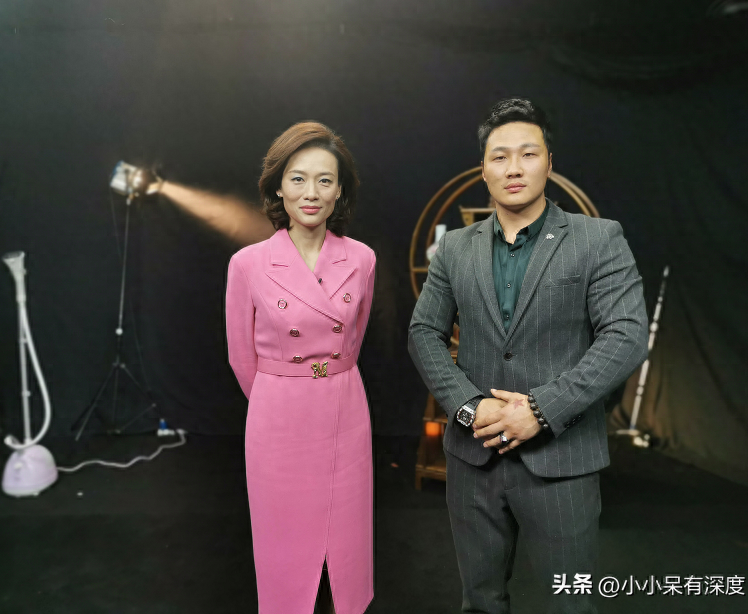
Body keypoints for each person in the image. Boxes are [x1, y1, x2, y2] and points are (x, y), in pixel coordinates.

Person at [408, 98, 649, 613]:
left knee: (570, 605)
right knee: (480, 602)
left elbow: (627, 335)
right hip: (474, 459)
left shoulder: (598, 239)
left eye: (528, 154)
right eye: (500, 157)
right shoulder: (455, 248)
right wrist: (471, 407)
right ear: (483, 169)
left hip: (562, 461)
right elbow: (423, 332)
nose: (513, 168)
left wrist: (540, 410)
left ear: (549, 162)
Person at [225, 122, 376, 614]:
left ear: (340, 191)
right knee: (283, 539)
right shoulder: (247, 263)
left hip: (345, 408)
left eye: (325, 180)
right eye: (298, 178)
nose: (311, 192)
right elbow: (240, 357)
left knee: (347, 539)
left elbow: (353, 341)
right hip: (278, 415)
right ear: (277, 187)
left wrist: (327, 381)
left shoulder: (363, 258)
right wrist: (279, 395)